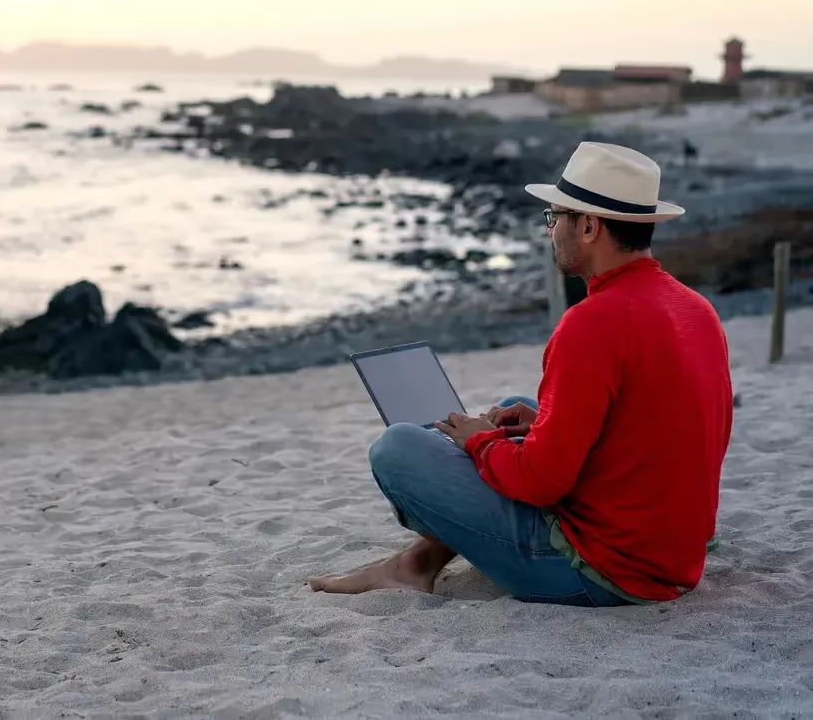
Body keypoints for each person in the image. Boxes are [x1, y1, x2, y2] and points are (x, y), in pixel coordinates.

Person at [309, 142, 734, 606]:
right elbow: (661, 424)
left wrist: (478, 441)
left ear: (588, 226)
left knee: (398, 447)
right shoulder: (695, 309)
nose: (550, 231)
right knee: (528, 409)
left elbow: (540, 483)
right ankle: (417, 563)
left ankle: (414, 564)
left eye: (554, 218)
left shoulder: (593, 324)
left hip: (606, 571)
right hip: (673, 556)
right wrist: (537, 426)